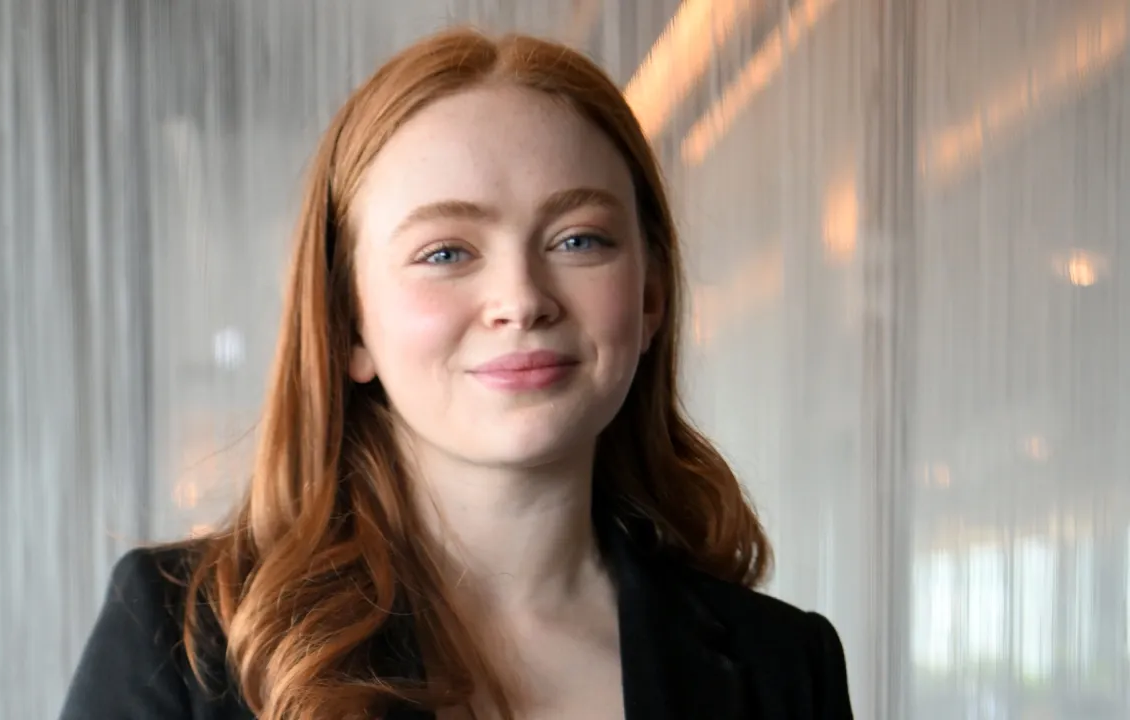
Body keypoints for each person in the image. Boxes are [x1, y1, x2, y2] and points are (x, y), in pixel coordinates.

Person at [59, 27, 853, 720]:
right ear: (348, 326)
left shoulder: (783, 666)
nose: (521, 299)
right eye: (446, 252)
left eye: (579, 240)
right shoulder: (184, 637)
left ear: (650, 297)